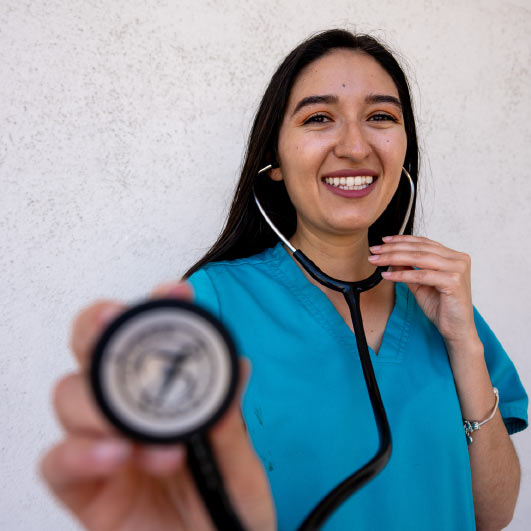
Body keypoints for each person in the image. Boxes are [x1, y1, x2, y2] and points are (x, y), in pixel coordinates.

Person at [40, 30, 528, 531]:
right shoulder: (212, 305)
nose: (356, 146)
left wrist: (464, 344)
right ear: (273, 161)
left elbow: (493, 515)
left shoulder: (442, 304)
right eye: (319, 118)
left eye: (381, 116)